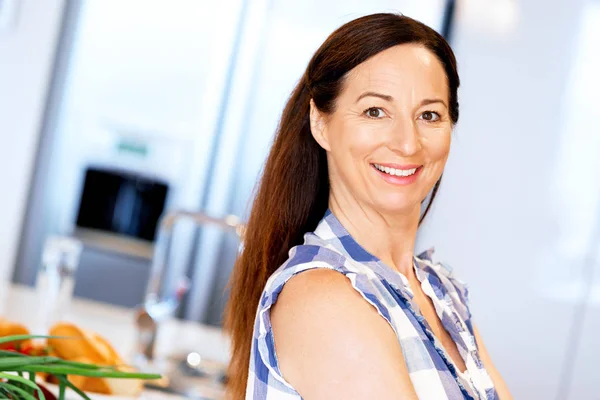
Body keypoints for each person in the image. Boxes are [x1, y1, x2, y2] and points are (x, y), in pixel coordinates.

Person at [225, 13, 512, 400]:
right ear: (320, 122)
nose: (407, 143)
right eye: (375, 112)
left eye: (429, 115)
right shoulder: (322, 299)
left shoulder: (438, 290)